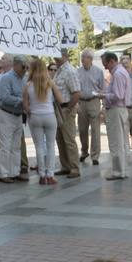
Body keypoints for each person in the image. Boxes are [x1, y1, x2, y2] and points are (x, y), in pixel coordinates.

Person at [23, 58, 63, 185]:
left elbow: (25, 104)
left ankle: (42, 175)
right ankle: (50, 175)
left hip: (35, 117)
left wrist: (32, 111)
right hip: (50, 116)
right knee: (51, 146)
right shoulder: (50, 83)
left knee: (39, 147)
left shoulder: (28, 85)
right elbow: (61, 100)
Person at [0, 54, 28, 184]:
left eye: (26, 67)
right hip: (6, 114)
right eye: (23, 67)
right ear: (15, 65)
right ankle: (3, 173)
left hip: (18, 115)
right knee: (5, 145)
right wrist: (23, 101)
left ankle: (15, 172)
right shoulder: (5, 78)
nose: (25, 69)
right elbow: (4, 97)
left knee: (16, 146)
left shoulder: (24, 79)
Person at [102, 52, 131, 181]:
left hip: (116, 109)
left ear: (112, 61)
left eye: (106, 64)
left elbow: (118, 95)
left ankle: (118, 171)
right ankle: (122, 169)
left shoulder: (118, 74)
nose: (105, 68)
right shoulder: (121, 72)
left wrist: (103, 95)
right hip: (121, 109)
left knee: (116, 142)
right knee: (122, 141)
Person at [53, 48, 81, 178]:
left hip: (66, 108)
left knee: (69, 139)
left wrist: (69, 108)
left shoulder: (69, 71)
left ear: (64, 55)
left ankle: (74, 167)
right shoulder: (59, 70)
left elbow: (76, 93)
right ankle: (65, 165)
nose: (54, 58)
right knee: (60, 139)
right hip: (58, 109)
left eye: (56, 55)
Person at [77, 48, 104, 166]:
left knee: (95, 130)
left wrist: (103, 107)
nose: (83, 60)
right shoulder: (77, 72)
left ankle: (95, 155)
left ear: (91, 59)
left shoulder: (98, 72)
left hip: (94, 101)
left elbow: (103, 89)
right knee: (82, 130)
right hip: (81, 102)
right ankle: (84, 151)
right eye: (82, 57)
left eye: (85, 57)